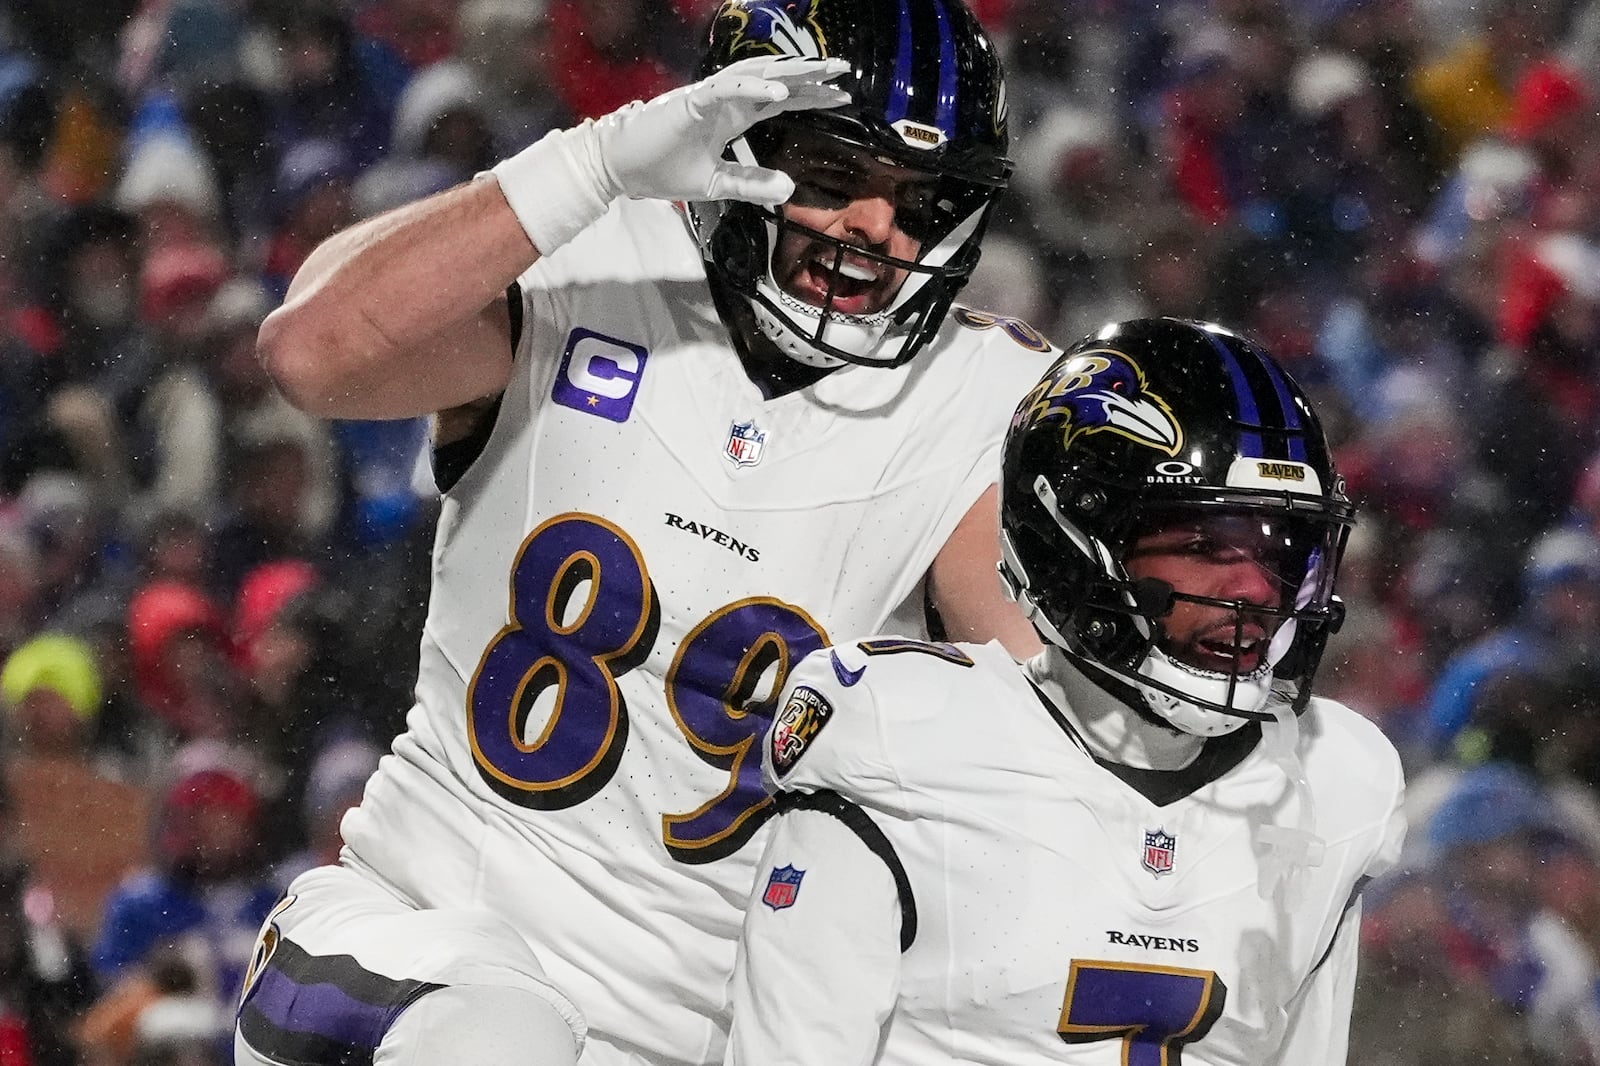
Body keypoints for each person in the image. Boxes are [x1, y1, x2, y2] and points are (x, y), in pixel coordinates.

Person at [236, 2, 1049, 1065]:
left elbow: (1055, 761)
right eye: (836, 172)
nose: (873, 228)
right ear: (735, 137)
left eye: (919, 200)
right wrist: (596, 162)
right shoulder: (592, 254)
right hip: (413, 939)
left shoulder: (977, 403)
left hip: (691, 1032)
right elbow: (315, 353)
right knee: (498, 1039)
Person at [725, 318, 1408, 1066]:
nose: (1253, 588)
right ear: (1069, 541)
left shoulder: (1335, 783)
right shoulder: (904, 737)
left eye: (1283, 549)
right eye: (1206, 545)